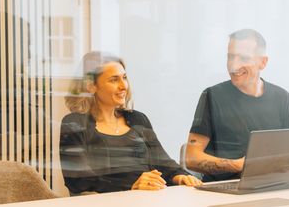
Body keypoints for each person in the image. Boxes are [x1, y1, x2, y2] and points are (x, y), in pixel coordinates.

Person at [60, 52, 201, 194]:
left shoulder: (138, 119)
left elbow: (164, 163)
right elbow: (78, 180)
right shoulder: (74, 123)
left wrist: (182, 176)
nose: (123, 86)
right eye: (114, 80)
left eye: (124, 78)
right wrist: (132, 185)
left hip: (150, 202)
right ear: (91, 86)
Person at [185, 29, 289, 181]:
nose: (233, 66)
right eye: (230, 57)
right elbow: (191, 158)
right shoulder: (212, 96)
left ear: (263, 62)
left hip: (270, 185)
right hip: (222, 190)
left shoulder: (281, 97)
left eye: (243, 58)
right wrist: (239, 165)